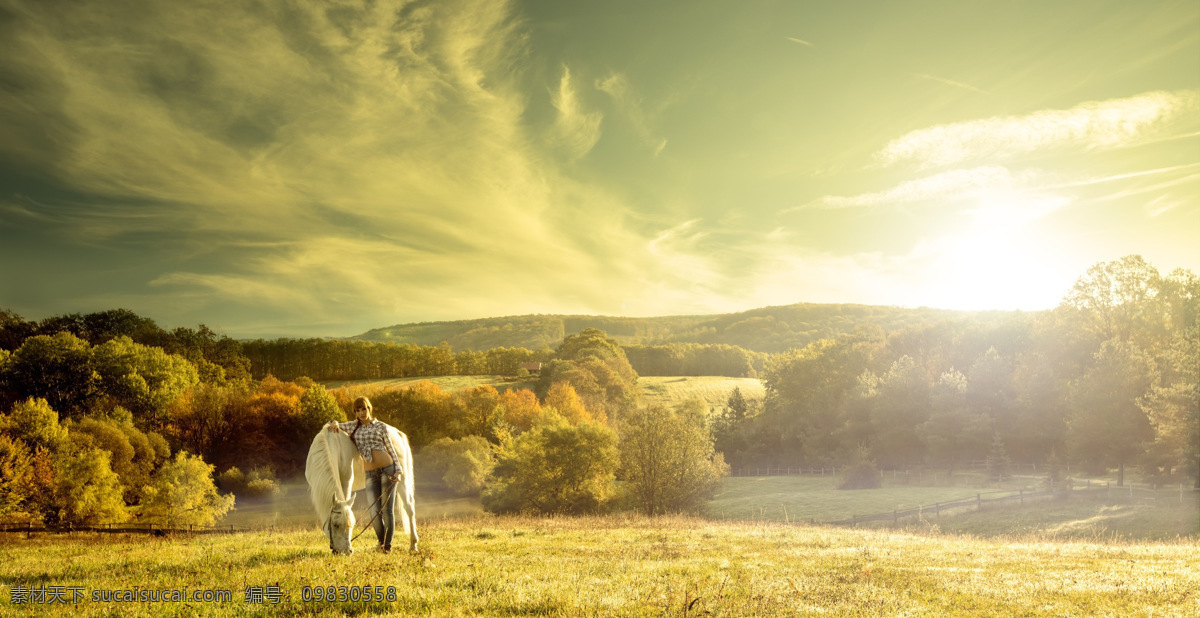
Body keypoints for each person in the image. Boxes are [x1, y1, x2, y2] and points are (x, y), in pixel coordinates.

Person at [326, 396, 400, 553]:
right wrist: (333, 421)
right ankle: (381, 543)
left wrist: (398, 470)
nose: (361, 413)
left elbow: (390, 449)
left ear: (369, 408)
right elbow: (336, 425)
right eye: (357, 410)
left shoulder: (380, 426)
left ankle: (387, 547)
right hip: (370, 473)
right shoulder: (353, 427)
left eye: (363, 409)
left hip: (388, 468)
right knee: (374, 512)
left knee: (387, 511)